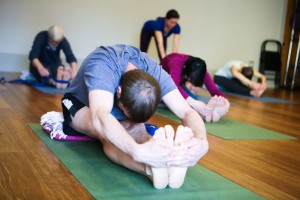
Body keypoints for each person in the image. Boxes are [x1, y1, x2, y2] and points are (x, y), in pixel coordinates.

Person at [53, 44, 209, 189]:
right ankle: (148, 168)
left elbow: (186, 111)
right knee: (106, 134)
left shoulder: (153, 71)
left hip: (119, 102)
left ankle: (165, 161)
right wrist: (137, 151)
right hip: (80, 103)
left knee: (138, 129)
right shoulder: (102, 66)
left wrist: (202, 142)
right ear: (118, 91)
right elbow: (100, 115)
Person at [161, 53, 230, 122]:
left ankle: (208, 113)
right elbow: (173, 86)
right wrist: (193, 102)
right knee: (187, 100)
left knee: (192, 99)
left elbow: (214, 89)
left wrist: (226, 103)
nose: (191, 86)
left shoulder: (200, 70)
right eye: (190, 81)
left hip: (177, 83)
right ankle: (203, 113)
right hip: (162, 86)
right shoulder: (175, 61)